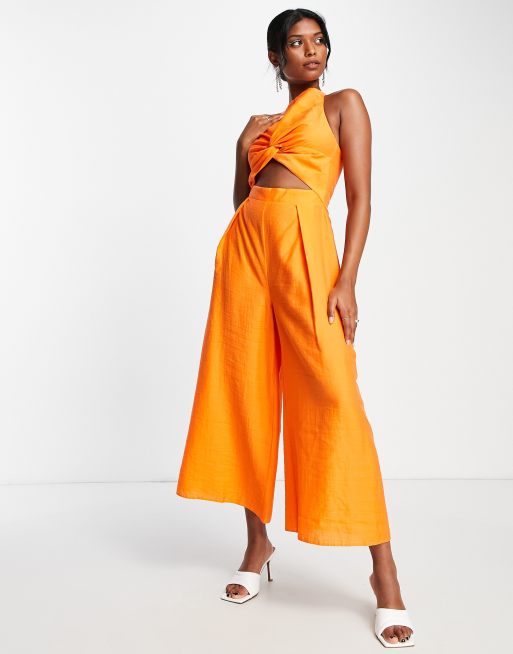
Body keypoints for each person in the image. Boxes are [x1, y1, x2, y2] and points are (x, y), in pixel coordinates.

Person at [176, 8, 415, 648]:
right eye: (296, 43)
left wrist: (347, 279)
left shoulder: (343, 105)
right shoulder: (259, 126)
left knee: (336, 397)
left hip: (308, 253)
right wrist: (241, 152)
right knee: (245, 394)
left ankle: (384, 574)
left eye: (319, 41)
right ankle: (257, 545)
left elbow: (360, 198)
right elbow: (244, 200)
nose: (311, 50)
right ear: (275, 58)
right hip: (247, 256)